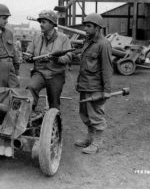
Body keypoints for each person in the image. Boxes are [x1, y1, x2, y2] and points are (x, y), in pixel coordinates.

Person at [74, 13, 113, 154]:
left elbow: (107, 68)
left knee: (96, 115)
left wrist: (107, 90)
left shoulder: (104, 44)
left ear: (97, 28)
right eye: (85, 25)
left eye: (89, 26)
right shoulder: (88, 42)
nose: (85, 28)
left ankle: (97, 143)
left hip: (96, 87)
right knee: (85, 114)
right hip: (85, 85)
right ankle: (89, 138)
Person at [25, 10, 72, 110]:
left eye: (43, 22)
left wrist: (56, 59)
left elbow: (68, 57)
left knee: (54, 103)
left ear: (52, 23)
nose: (41, 25)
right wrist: (28, 56)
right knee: (30, 88)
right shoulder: (37, 38)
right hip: (40, 73)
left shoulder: (63, 39)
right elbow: (29, 53)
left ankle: (55, 122)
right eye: (40, 22)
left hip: (56, 74)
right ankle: (29, 115)